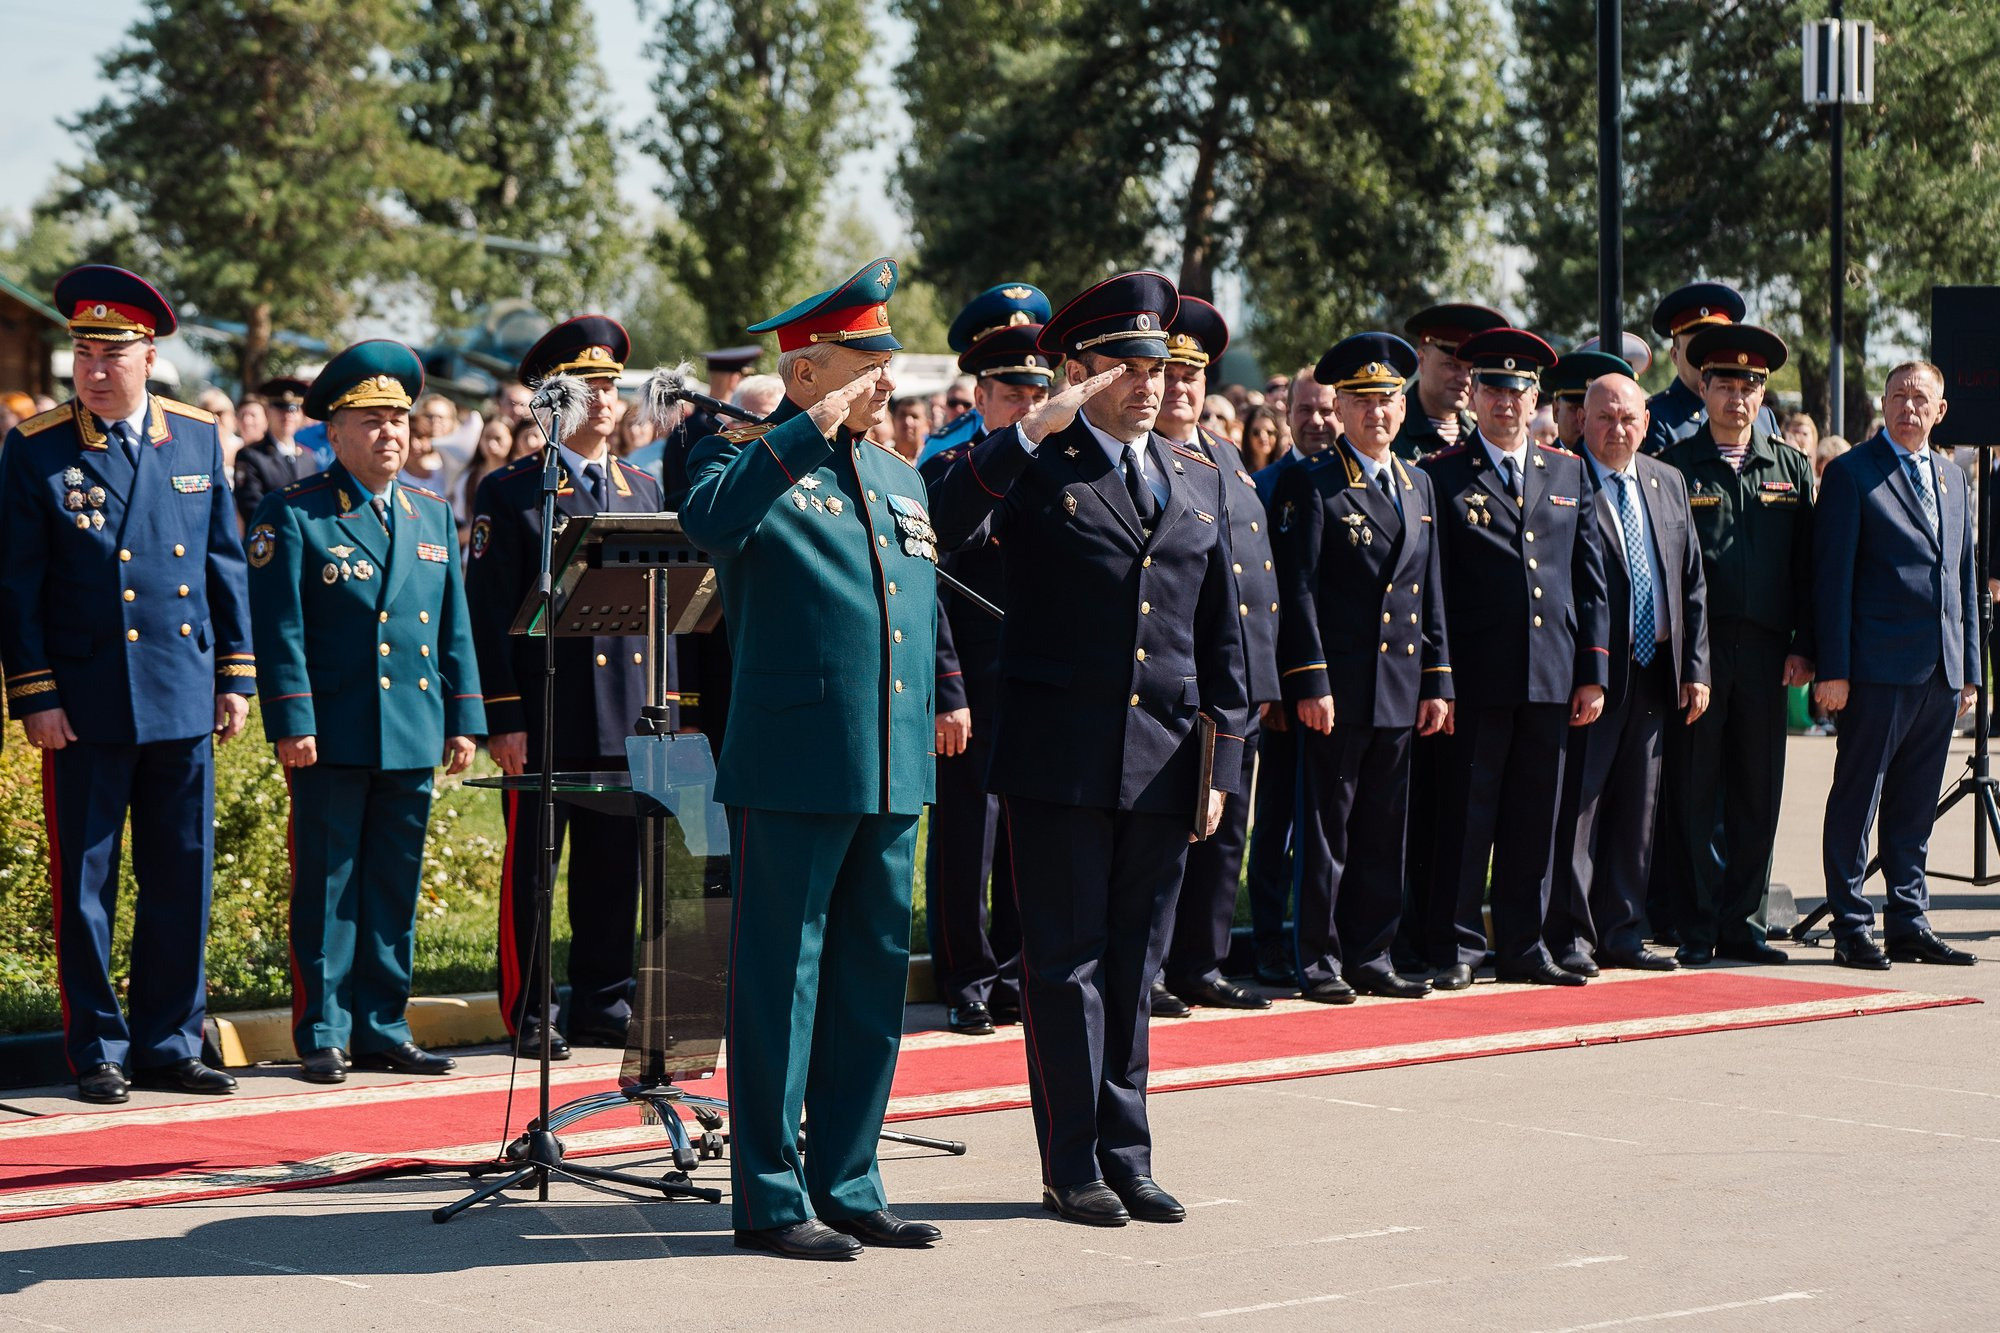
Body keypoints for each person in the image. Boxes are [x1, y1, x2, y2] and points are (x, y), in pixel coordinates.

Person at [929, 271, 1249, 1229]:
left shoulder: (1195, 476)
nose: (1149, 383)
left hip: (1162, 756)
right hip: (1061, 759)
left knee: (1134, 964)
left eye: (1159, 364)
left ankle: (1129, 1151)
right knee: (1063, 966)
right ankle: (1072, 1162)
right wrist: (1024, 433)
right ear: (1078, 371)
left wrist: (1223, 762)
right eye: (1125, 364)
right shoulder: (1037, 462)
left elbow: (1220, 630)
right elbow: (945, 528)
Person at [680, 258, 942, 1260]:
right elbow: (707, 524)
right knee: (779, 984)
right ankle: (769, 1194)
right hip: (793, 764)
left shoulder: (897, 474)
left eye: (884, 360)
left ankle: (849, 1177)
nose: (886, 381)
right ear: (805, 370)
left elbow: (912, 615)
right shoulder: (740, 458)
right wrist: (800, 432)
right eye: (865, 361)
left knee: (872, 984)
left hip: (889, 763)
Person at [0, 264, 256, 1103]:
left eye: (112, 352)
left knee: (182, 875)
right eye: (83, 350)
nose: (94, 367)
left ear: (149, 355)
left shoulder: (193, 436)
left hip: (181, 691)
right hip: (87, 702)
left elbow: (223, 565)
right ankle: (98, 1047)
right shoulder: (37, 448)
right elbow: (18, 586)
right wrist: (36, 694)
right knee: (86, 887)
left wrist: (235, 676)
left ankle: (171, 1041)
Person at [244, 340, 484, 1082]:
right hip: (334, 731)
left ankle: (382, 1023)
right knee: (328, 884)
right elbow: (279, 627)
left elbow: (454, 626)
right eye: (372, 420)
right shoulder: (296, 514)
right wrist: (292, 720)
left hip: (411, 728)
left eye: (400, 420)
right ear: (336, 432)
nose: (390, 434)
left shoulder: (431, 514)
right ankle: (324, 1029)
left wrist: (464, 716)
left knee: (392, 883)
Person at [465, 316, 666, 1059]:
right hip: (548, 711)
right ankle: (530, 1005)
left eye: (612, 384)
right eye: (587, 386)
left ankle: (603, 998)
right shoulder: (516, 492)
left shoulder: (643, 488)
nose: (605, 399)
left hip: (626, 715)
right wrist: (503, 717)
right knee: (535, 874)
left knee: (614, 872)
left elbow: (663, 611)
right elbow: (487, 615)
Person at [1419, 327, 1609, 989]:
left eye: (1519, 389)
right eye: (1495, 387)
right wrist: (1438, 674)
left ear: (1537, 400)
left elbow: (1589, 580)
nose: (1507, 401)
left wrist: (1594, 670)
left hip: (1553, 676)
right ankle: (1459, 946)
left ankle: (1525, 944)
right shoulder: (1441, 477)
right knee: (1467, 818)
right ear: (1474, 394)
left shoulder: (1568, 470)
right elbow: (1432, 585)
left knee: (1537, 818)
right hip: (1477, 676)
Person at [1272, 333, 1451, 1002]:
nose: (1378, 413)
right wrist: (1309, 679)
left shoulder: (1417, 482)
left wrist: (1439, 681)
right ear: (1340, 408)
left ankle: (1372, 951)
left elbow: (1429, 589)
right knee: (1327, 830)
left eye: (1388, 401)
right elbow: (1299, 590)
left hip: (1401, 687)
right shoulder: (1313, 481)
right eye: (1364, 401)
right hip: (1341, 688)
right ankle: (1319, 958)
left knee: (1384, 828)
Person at [1814, 362, 1980, 969]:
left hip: (1939, 672)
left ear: (1941, 412)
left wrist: (1969, 669)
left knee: (1914, 807)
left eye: (1922, 399)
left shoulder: (1953, 480)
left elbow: (1962, 576)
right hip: (1875, 669)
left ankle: (1909, 922)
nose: (1910, 408)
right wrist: (1834, 667)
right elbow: (1830, 581)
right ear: (1882, 404)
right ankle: (1852, 925)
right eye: (1899, 396)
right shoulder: (1853, 474)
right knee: (1858, 800)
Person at [1658, 324, 1816, 966]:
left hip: (1768, 652)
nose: (1737, 397)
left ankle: (1744, 923)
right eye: (1725, 384)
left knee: (1758, 789)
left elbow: (1808, 567)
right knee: (1696, 790)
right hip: (1699, 651)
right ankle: (1697, 925)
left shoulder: (1790, 466)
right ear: (1704, 387)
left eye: (1749, 386)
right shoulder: (1676, 466)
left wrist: (1807, 645)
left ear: (1762, 394)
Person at [919, 283, 1051, 1037]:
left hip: (1039, 682)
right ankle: (967, 975)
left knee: (1025, 838)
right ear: (980, 394)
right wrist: (946, 688)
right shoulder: (950, 468)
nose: (1026, 402)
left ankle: (1013, 968)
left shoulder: (1059, 466)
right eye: (1011, 391)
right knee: (969, 834)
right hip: (972, 679)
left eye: (1038, 388)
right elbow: (929, 587)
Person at [1545, 373, 1711, 975]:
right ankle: (1571, 937)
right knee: (1581, 810)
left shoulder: (1667, 481)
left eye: (1629, 418)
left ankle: (1622, 931)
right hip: (1591, 677)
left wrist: (1695, 667)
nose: (1618, 429)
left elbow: (1690, 581)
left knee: (1638, 811)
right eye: (1606, 417)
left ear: (1646, 421)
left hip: (1655, 673)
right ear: (1582, 420)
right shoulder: (1561, 480)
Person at [1158, 297, 1277, 1013]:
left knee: (1226, 828)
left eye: (1192, 377)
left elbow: (1256, 569)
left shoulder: (1226, 454)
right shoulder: (1145, 458)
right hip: (1181, 676)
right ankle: (1153, 969)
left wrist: (1265, 673)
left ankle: (1202, 962)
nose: (1180, 390)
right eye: (1168, 374)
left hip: (1240, 681)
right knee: (1171, 836)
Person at [1242, 366, 1334, 984]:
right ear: (1287, 416)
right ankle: (1270, 940)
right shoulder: (1264, 485)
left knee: (1328, 823)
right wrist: (1274, 685)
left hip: (1343, 682)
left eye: (1327, 409)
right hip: (1282, 688)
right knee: (1274, 817)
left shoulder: (1353, 483)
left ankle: (1324, 936)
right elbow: (1264, 592)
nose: (1318, 421)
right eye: (1306, 410)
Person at [918, 283, 1055, 467]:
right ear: (981, 399)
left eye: (1039, 396)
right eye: (1015, 395)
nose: (1030, 409)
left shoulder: (1065, 464)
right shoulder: (947, 469)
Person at [1642, 282, 1782, 454]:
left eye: (1716, 348)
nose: (1707, 358)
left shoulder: (1763, 418)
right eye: (1697, 349)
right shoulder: (1656, 417)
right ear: (1674, 355)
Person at [1393, 303, 1508, 461]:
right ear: (1421, 361)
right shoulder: (1389, 429)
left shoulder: (1484, 435)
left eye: (1471, 369)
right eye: (1452, 365)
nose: (1465, 379)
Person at [233, 377, 320, 525]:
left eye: (293, 409)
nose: (287, 416)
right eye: (280, 409)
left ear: (301, 415)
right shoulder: (250, 456)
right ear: (267, 413)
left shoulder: (308, 458)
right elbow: (252, 508)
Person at [1545, 350, 1633, 450]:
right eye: (1576, 408)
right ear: (1556, 411)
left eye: (1601, 413)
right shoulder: (1539, 464)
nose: (1584, 419)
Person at [456, 415, 515, 534]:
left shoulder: (517, 477)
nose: (491, 444)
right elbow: (460, 515)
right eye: (487, 437)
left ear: (512, 439)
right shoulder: (469, 476)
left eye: (498, 438)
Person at [1239, 403, 1288, 471]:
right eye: (1256, 432)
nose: (1263, 437)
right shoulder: (1238, 468)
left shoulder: (1286, 471)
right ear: (1247, 436)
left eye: (1269, 432)